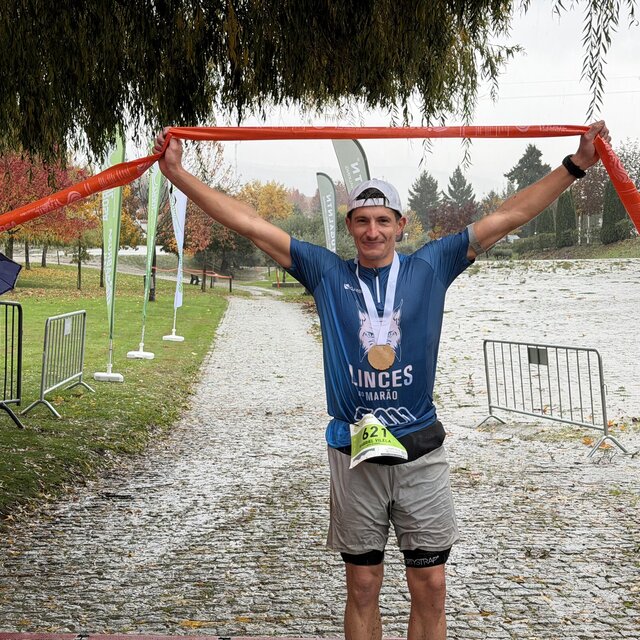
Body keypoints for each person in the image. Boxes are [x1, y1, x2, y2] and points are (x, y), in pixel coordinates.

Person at [154, 121, 610, 640]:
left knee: (431, 585)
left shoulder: (431, 266)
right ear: (350, 226)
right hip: (355, 451)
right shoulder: (327, 273)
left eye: (382, 221)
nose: (372, 231)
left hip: (420, 448)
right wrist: (179, 175)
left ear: (400, 224)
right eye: (362, 221)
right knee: (364, 584)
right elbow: (251, 224)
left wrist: (577, 165)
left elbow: (510, 215)